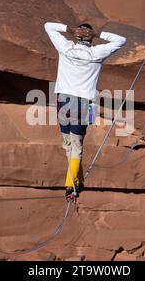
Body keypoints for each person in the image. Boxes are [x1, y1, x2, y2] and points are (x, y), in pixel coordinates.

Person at [44, 21, 126, 201]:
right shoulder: (97, 52)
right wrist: (96, 34)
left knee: (68, 143)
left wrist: (70, 29)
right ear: (90, 38)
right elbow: (121, 40)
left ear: (77, 35)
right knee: (76, 144)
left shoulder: (65, 47)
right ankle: (73, 184)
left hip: (62, 99)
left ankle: (73, 183)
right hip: (86, 103)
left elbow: (48, 26)